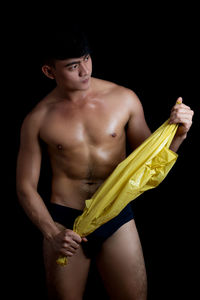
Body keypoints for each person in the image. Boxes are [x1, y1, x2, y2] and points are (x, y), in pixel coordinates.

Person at [16, 28, 194, 300]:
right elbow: (25, 186)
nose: (84, 70)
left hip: (116, 217)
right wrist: (52, 233)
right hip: (66, 223)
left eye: (86, 59)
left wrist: (178, 134)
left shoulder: (123, 98)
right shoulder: (38, 119)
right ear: (49, 72)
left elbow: (149, 160)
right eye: (73, 66)